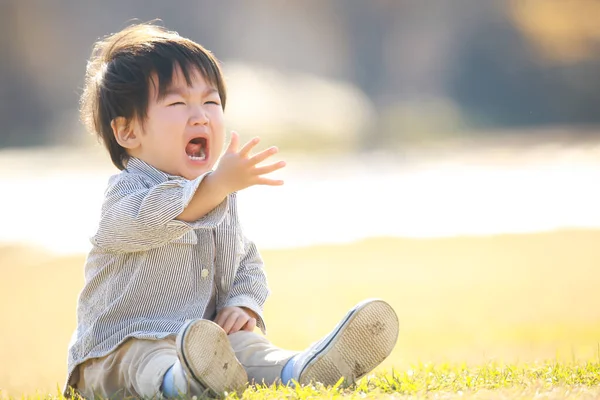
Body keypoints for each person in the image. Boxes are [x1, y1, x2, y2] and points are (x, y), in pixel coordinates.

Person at [65, 22, 399, 399]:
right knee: (147, 359)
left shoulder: (218, 194)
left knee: (246, 349)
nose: (201, 116)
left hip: (203, 343)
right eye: (177, 104)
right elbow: (154, 218)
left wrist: (243, 303)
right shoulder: (127, 194)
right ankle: (181, 383)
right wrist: (217, 186)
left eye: (211, 102)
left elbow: (246, 261)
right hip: (114, 352)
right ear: (128, 132)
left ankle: (301, 368)